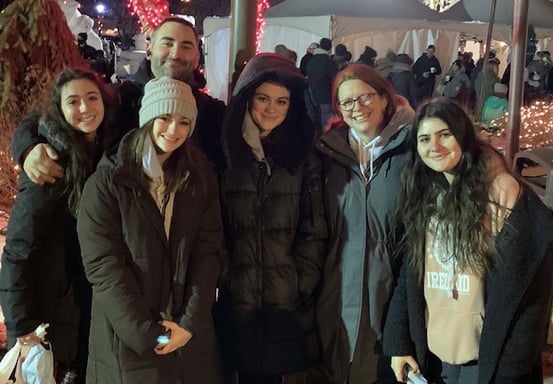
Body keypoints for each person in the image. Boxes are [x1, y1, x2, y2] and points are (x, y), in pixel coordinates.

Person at [383, 98, 553, 384]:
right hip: (435, 357)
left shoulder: (503, 193)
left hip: (486, 363)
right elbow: (409, 276)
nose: (434, 147)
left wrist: (511, 370)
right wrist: (399, 343)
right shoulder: (424, 193)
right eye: (424, 139)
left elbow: (529, 294)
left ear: (463, 135)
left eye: (445, 135)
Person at [76, 77, 225, 383]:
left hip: (189, 340)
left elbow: (208, 251)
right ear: (148, 118)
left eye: (184, 122)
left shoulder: (198, 177)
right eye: (165, 118)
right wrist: (148, 335)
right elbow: (104, 267)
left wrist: (190, 323)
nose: (173, 130)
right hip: (127, 344)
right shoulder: (109, 182)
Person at [218, 52, 328, 384]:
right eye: (262, 98)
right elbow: (212, 225)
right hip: (234, 298)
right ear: (246, 99)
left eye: (281, 101)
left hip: (283, 300)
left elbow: (314, 228)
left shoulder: (301, 155)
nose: (271, 108)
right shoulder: (226, 151)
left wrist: (299, 280)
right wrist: (224, 277)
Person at [0, 68, 115, 384]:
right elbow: (18, 250)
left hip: (88, 309)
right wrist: (21, 325)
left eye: (92, 98)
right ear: (60, 110)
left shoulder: (106, 154)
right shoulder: (50, 166)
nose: (85, 108)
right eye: (73, 101)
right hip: (53, 317)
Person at [12, 16, 226, 186]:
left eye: (186, 46)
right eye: (167, 43)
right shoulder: (119, 98)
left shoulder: (212, 113)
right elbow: (45, 118)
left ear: (198, 57)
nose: (176, 53)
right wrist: (28, 149)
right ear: (150, 50)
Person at [315, 64, 415, 384]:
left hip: (393, 288)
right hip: (336, 288)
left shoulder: (413, 149)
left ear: (386, 99)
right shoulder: (328, 153)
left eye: (365, 97)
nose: (357, 108)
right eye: (347, 102)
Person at [306, 37, 339, 130]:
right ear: (329, 48)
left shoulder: (311, 61)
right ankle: (327, 138)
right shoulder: (328, 61)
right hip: (326, 94)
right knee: (327, 117)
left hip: (314, 94)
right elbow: (336, 77)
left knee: (320, 116)